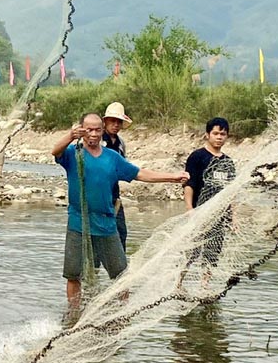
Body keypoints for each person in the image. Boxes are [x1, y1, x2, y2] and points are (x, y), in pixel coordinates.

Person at [53, 112, 189, 306]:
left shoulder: (112, 157)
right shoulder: (73, 154)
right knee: (73, 274)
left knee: (121, 275)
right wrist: (70, 136)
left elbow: (140, 174)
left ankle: (121, 313)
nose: (93, 134)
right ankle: (73, 315)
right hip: (78, 223)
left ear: (102, 131)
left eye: (97, 130)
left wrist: (172, 177)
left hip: (106, 225)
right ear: (82, 130)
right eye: (88, 129)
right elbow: (55, 152)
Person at [184, 117, 237, 268]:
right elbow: (189, 184)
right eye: (215, 133)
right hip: (199, 211)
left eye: (223, 134)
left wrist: (233, 217)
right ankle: (178, 284)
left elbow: (231, 191)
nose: (219, 137)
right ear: (207, 135)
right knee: (191, 251)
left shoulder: (227, 162)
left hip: (219, 215)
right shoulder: (197, 157)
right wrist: (189, 209)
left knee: (212, 252)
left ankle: (204, 286)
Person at [102, 101, 133, 249]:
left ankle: (120, 269)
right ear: (105, 122)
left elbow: (122, 166)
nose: (115, 125)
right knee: (97, 237)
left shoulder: (121, 144)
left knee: (121, 233)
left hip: (114, 195)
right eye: (112, 121)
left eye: (118, 122)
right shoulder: (98, 140)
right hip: (98, 195)